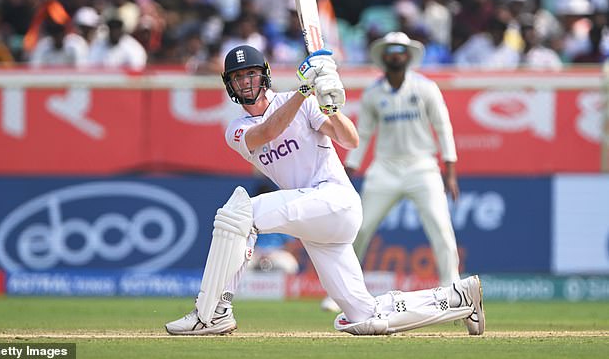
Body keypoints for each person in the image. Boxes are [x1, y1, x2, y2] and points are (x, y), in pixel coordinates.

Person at [164, 44, 485, 336]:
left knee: (239, 212)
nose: (246, 82)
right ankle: (457, 298)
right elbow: (268, 130)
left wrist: (331, 106)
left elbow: (351, 139)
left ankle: (211, 313)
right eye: (238, 77)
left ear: (264, 76)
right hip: (315, 223)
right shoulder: (237, 129)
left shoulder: (301, 103)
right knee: (364, 317)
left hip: (336, 200)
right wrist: (304, 90)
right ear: (229, 85)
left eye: (251, 73)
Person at [320, 31, 479, 336]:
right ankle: (339, 294)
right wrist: (348, 169)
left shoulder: (426, 88)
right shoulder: (372, 94)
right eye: (391, 50)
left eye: (401, 50)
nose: (396, 54)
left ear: (408, 56)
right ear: (384, 57)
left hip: (422, 167)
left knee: (442, 230)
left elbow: (443, 128)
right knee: (358, 228)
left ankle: (455, 294)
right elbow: (363, 135)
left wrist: (451, 170)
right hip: (385, 169)